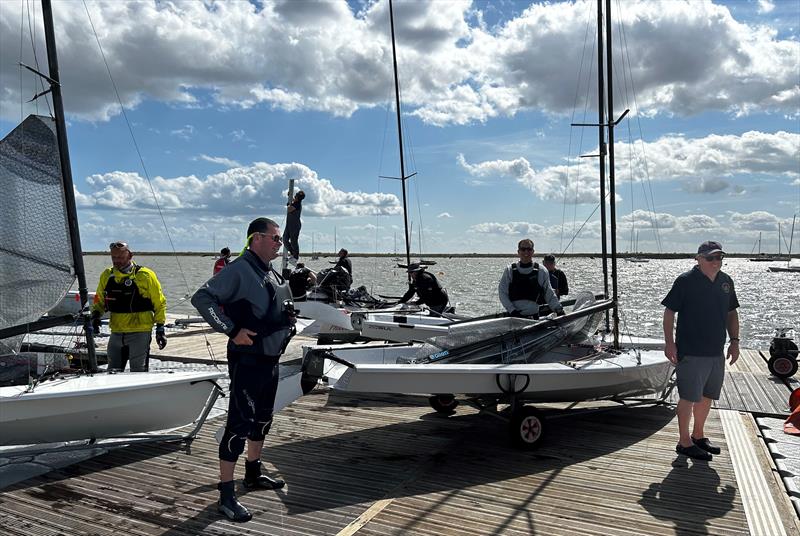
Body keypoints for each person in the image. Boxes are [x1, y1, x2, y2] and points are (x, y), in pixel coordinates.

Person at [191, 217, 296, 523]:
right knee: (238, 426)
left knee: (262, 419)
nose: (280, 243)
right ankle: (226, 495)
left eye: (280, 239)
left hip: (270, 360)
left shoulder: (269, 270)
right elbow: (203, 298)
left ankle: (253, 473)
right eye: (275, 238)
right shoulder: (239, 269)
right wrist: (231, 329)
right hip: (248, 360)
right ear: (256, 239)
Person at [662, 240, 739, 462]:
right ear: (698, 259)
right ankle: (683, 442)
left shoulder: (726, 281)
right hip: (692, 350)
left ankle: (698, 435)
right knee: (688, 397)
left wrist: (734, 341)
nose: (716, 262)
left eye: (719, 257)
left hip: (716, 351)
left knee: (707, 397)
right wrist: (669, 343)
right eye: (711, 258)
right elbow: (669, 313)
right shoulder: (686, 281)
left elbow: (731, 313)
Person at [90, 242, 167, 372]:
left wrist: (160, 328)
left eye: (120, 257)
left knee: (138, 371)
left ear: (130, 255)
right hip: (117, 331)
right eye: (114, 258)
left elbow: (160, 303)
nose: (116, 261)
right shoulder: (107, 275)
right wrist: (95, 314)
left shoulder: (145, 275)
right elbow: (99, 298)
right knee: (112, 370)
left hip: (140, 331)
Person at [498, 239, 564, 318]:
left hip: (533, 318)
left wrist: (559, 310)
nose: (526, 252)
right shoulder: (509, 270)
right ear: (518, 252)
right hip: (513, 317)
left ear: (533, 251)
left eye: (529, 249)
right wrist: (512, 311)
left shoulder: (542, 271)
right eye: (523, 249)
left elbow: (549, 294)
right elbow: (502, 293)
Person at [283, 190, 305, 265]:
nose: (295, 197)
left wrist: (289, 202)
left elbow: (289, 209)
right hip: (289, 224)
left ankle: (295, 257)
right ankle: (292, 253)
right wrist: (290, 197)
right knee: (284, 239)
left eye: (296, 196)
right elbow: (292, 203)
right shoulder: (295, 202)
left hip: (295, 225)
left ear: (298, 198)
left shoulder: (297, 204)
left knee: (293, 241)